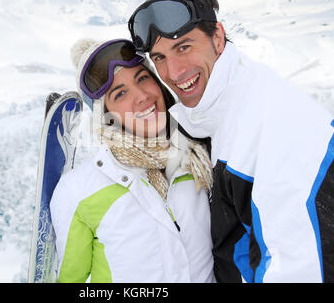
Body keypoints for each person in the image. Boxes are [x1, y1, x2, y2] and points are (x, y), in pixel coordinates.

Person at [128, 0, 334, 283]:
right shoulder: (219, 117)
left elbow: (307, 271)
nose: (174, 72)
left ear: (217, 38)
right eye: (160, 58)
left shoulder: (279, 126)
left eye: (184, 47)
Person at [50, 38, 216, 282]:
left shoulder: (199, 158)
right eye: (120, 94)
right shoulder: (78, 191)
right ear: (106, 115)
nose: (142, 96)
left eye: (142, 78)